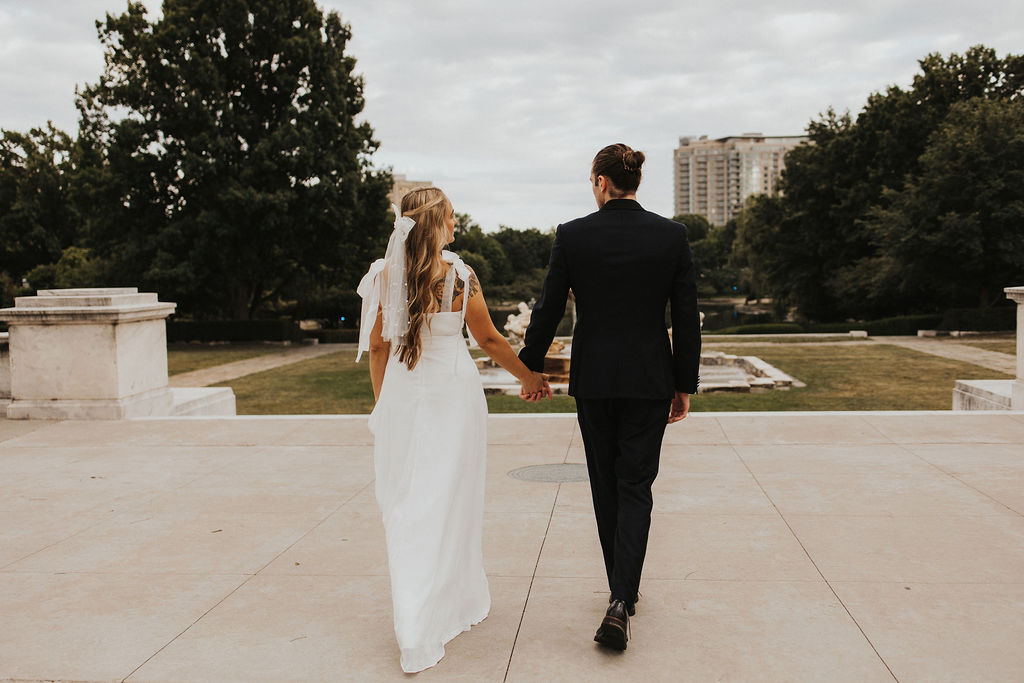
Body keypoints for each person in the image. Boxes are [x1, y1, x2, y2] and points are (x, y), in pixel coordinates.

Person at [356, 187, 550, 673]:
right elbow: (486, 338)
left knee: (405, 501)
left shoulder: (384, 276)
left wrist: (385, 404)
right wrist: (527, 376)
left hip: (403, 394)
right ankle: (433, 613)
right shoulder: (462, 276)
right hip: (454, 395)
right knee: (450, 497)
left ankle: (420, 614)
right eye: (452, 217)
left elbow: (379, 347)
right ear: (436, 223)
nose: (457, 224)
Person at [518, 143, 701, 651]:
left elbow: (548, 308)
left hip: (595, 380)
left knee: (605, 485)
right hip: (649, 380)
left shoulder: (573, 236)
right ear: (633, 181)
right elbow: (686, 318)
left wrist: (530, 367)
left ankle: (620, 594)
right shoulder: (672, 236)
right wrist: (683, 383)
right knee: (637, 485)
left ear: (601, 182)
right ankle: (623, 595)